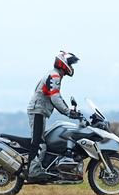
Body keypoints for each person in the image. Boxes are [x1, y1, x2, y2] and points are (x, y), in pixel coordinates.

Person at [26, 51, 82, 180]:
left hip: (39, 111)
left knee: (41, 140)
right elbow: (55, 97)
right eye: (71, 64)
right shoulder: (55, 76)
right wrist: (68, 112)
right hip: (37, 111)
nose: (72, 67)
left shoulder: (54, 75)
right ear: (63, 63)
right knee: (39, 142)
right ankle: (33, 171)